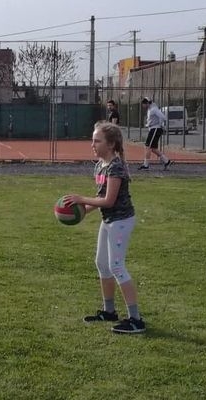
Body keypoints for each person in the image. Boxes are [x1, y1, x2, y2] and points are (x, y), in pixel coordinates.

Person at [63, 123, 146, 334]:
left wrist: (81, 199)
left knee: (116, 266)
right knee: (102, 264)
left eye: (97, 141)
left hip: (121, 221)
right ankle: (109, 311)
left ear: (110, 144)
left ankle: (136, 320)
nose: (92, 144)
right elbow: (100, 198)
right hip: (109, 220)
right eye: (92, 140)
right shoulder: (100, 165)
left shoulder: (115, 167)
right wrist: (80, 212)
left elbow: (109, 201)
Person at [139, 97, 172, 170]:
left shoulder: (154, 109)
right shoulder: (150, 109)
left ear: (147, 103)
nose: (143, 106)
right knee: (153, 148)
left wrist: (160, 124)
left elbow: (163, 117)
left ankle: (146, 165)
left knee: (148, 146)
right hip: (153, 129)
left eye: (143, 104)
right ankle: (167, 161)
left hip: (155, 129)